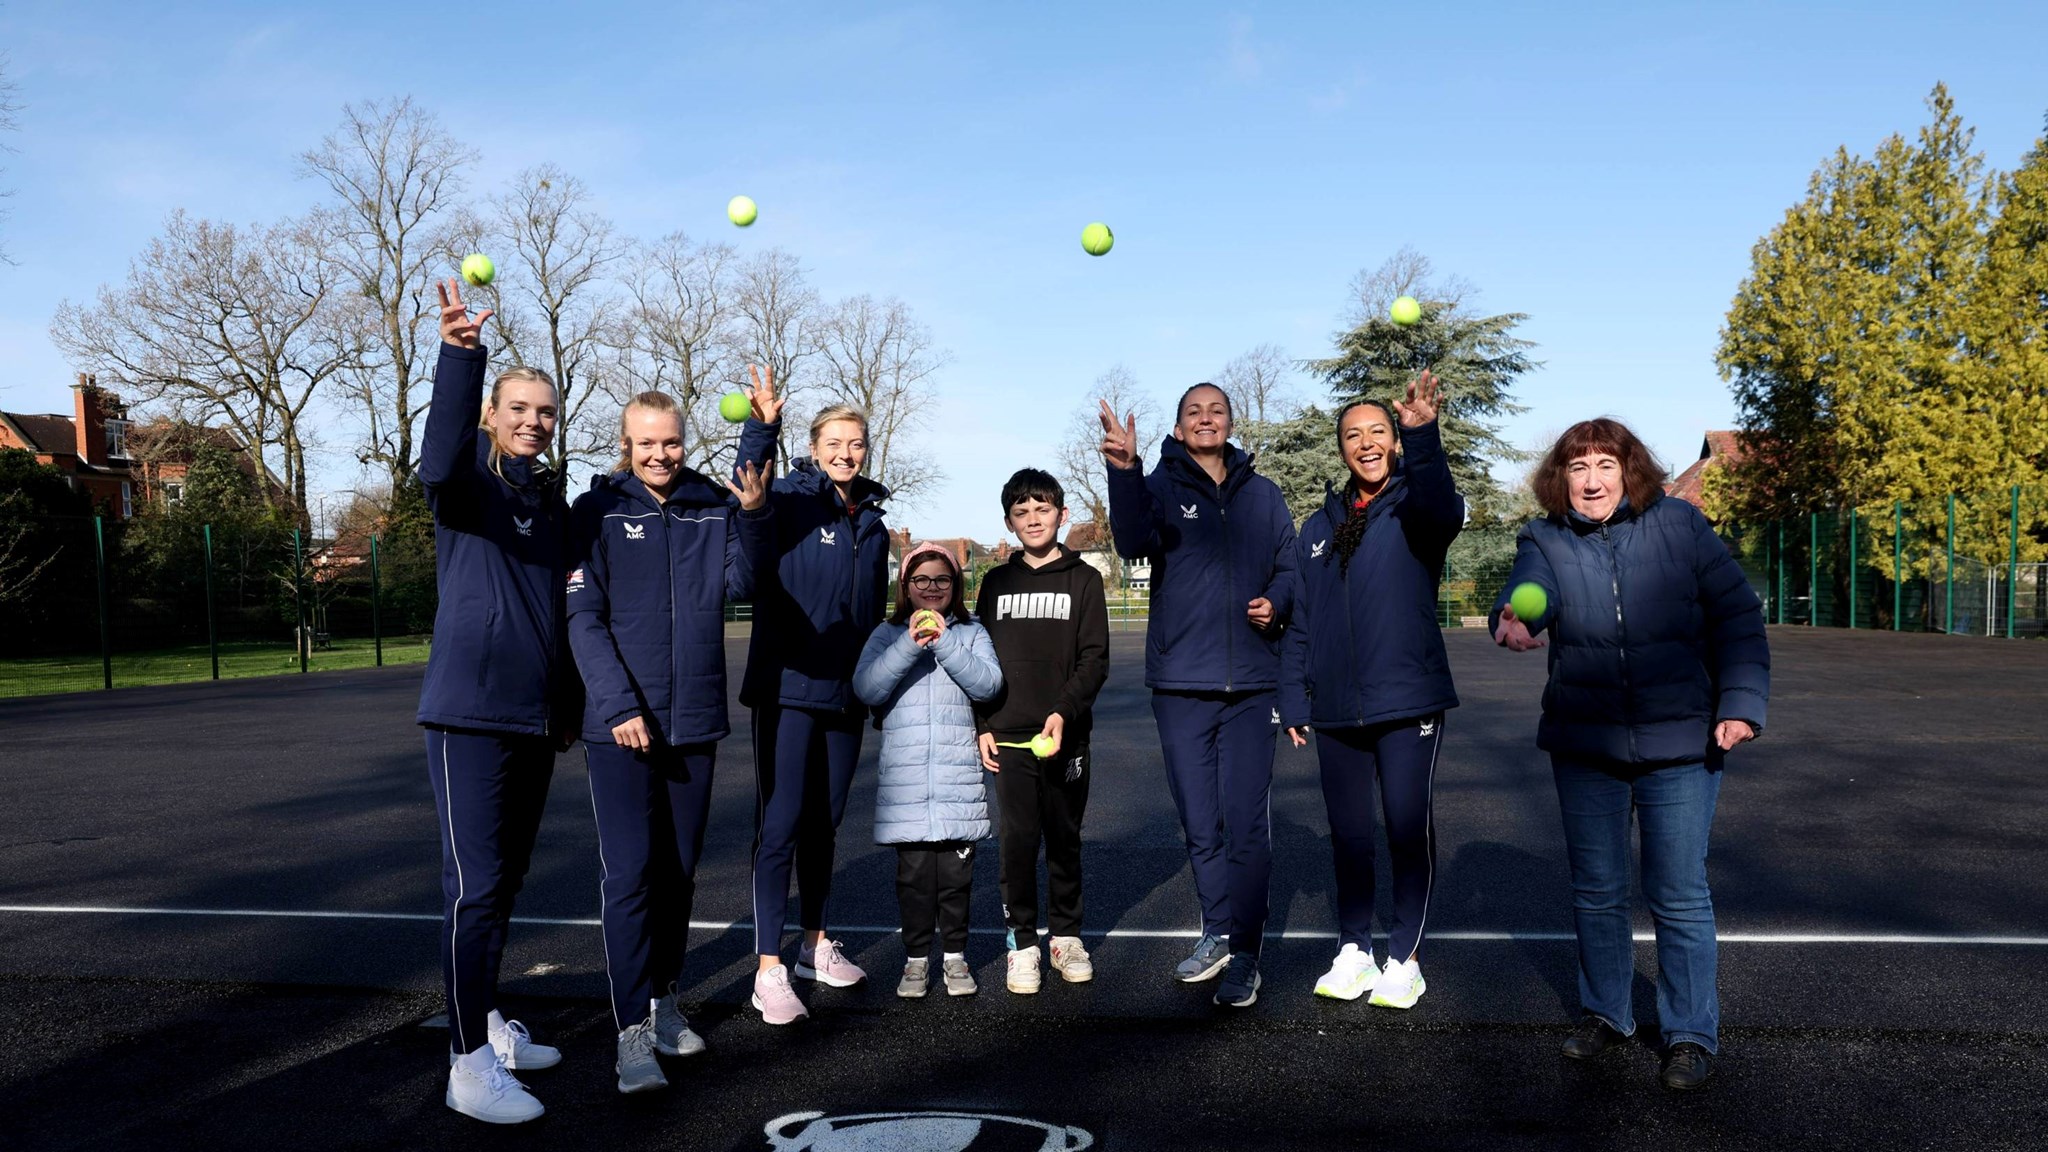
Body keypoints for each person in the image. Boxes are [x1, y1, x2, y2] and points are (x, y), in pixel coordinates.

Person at [1490, 417, 1769, 1092]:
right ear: (1562, 478)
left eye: (1605, 466)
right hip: (1587, 742)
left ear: (1629, 471)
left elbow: (1736, 617)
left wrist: (1740, 703)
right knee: (1597, 892)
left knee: (1678, 893)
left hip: (1682, 740)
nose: (1591, 480)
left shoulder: (1681, 526)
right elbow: (1533, 588)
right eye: (1578, 467)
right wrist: (1518, 614)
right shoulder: (1545, 537)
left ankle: (1690, 1034)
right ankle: (1607, 1014)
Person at [565, 391, 772, 1093]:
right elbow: (582, 619)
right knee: (629, 877)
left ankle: (663, 999)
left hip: (694, 723)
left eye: (672, 443)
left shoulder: (711, 507)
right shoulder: (595, 512)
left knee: (678, 874)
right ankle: (628, 1035)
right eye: (646, 443)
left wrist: (755, 477)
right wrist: (618, 703)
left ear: (686, 441)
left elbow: (744, 579)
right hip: (619, 729)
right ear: (626, 444)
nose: (660, 455)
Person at [415, 279, 579, 1125]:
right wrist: (459, 356)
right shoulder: (468, 489)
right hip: (468, 716)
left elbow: (559, 611)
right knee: (472, 889)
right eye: (518, 409)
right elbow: (436, 456)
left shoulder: (544, 501)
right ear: (492, 413)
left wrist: (566, 706)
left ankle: (487, 1024)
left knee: (503, 884)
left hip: (530, 719)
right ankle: (466, 1063)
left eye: (544, 412)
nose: (531, 421)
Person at [1099, 383, 1297, 1008]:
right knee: (1200, 823)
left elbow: (1291, 566)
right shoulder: (1157, 487)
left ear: (1230, 423)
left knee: (1245, 826)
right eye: (1193, 412)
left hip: (1252, 688)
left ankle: (1246, 952)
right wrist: (1124, 472)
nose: (1205, 419)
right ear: (1179, 429)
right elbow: (1131, 541)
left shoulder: (1263, 496)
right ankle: (1216, 929)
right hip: (1181, 683)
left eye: (1216, 410)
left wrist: (1280, 600)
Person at [1279, 373, 1463, 1010]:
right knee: (1349, 832)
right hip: (1333, 708)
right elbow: (1300, 619)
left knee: (1407, 827)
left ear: (1393, 440)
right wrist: (1294, 698)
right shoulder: (1317, 527)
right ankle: (1354, 948)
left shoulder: (1418, 506)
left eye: (1377, 432)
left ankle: (1403, 956)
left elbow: (1443, 504)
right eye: (1353, 435)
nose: (1366, 443)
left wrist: (1423, 435)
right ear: (1341, 449)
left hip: (1407, 700)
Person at [734, 371, 891, 1023]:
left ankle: (814, 943)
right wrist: (759, 426)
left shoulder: (876, 523)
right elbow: (749, 488)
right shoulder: (790, 498)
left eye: (856, 443)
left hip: (844, 696)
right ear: (815, 444)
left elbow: (871, 614)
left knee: (825, 825)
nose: (846, 452)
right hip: (788, 688)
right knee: (782, 825)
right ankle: (768, 968)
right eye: (835, 441)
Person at [973, 469, 1111, 995]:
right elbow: (976, 659)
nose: (1033, 519)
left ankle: (1067, 937)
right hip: (1008, 737)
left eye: (1042, 509)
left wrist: (1063, 712)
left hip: (1065, 735)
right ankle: (1022, 944)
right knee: (1016, 843)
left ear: (1061, 514)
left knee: (1064, 840)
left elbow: (1094, 659)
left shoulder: (1084, 580)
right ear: (1009, 520)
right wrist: (982, 722)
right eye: (1021, 512)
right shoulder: (996, 583)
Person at [853, 543, 1004, 999]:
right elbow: (867, 688)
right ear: (907, 587)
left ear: (955, 586)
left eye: (942, 579)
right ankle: (916, 961)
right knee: (914, 882)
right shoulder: (887, 633)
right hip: (908, 785)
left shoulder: (972, 632)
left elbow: (989, 684)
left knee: (957, 883)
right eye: (922, 580)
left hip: (958, 780)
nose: (932, 588)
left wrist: (945, 641)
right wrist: (908, 643)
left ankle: (956, 959)